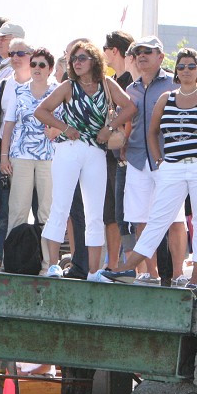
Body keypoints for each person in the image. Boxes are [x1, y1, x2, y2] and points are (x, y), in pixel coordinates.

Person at [102, 48, 197, 287]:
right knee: (157, 218)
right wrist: (160, 161)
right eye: (181, 66)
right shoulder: (167, 98)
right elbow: (153, 132)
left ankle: (195, 278)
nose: (186, 70)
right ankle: (129, 268)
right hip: (172, 166)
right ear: (176, 71)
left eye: (191, 66)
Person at [34, 41, 135, 282]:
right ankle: (52, 266)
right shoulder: (68, 86)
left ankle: (92, 272)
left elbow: (130, 107)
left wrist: (109, 127)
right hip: (69, 148)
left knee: (95, 212)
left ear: (94, 61)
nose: (76, 63)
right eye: (74, 59)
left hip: (96, 151)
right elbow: (41, 111)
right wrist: (65, 127)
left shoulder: (107, 84)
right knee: (60, 205)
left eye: (82, 58)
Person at [118, 36, 182, 284]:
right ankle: (149, 273)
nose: (142, 55)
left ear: (161, 56)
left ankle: (178, 275)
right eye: (138, 51)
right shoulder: (131, 89)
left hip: (168, 161)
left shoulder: (174, 86)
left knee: (175, 220)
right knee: (140, 218)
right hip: (136, 159)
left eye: (148, 51)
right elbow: (129, 124)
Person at [0, 47, 59, 272]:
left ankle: (47, 265)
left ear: (50, 69)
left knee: (46, 212)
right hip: (20, 156)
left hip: (49, 157)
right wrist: (4, 155)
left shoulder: (58, 91)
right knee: (17, 210)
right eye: (33, 64)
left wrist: (57, 131)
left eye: (42, 65)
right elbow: (9, 125)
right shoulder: (19, 91)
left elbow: (65, 124)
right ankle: (10, 262)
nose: (36, 69)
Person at [0, 36, 33, 268]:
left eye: (20, 53)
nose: (14, 58)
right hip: (6, 152)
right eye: (11, 54)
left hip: (35, 154)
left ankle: (36, 261)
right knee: (4, 213)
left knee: (39, 210)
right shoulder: (3, 84)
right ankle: (5, 260)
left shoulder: (43, 82)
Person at [102, 30, 135, 270]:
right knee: (110, 213)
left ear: (114, 50)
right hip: (108, 154)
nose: (103, 54)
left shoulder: (131, 83)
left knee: (128, 214)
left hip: (130, 156)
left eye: (105, 48)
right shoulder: (107, 81)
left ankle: (130, 265)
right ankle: (112, 265)